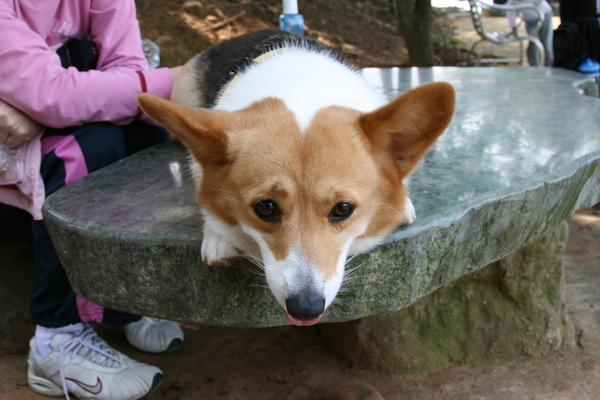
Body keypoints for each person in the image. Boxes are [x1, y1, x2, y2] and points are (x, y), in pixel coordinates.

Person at [0, 1, 185, 399]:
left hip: (32, 127)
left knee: (145, 136)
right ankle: (56, 339)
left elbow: (127, 70)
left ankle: (123, 303)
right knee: (81, 148)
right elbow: (54, 94)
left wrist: (43, 107)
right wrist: (174, 82)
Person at [506, 0, 554, 66]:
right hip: (530, 21)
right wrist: (514, 29)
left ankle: (549, 64)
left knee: (546, 41)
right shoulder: (512, 1)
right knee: (534, 42)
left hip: (545, 16)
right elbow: (511, 12)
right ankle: (535, 66)